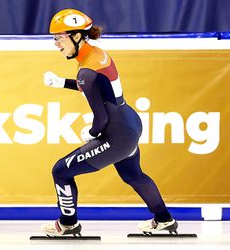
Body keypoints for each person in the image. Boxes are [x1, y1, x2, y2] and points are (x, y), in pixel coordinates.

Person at [41, 9, 178, 236]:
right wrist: (61, 83)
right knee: (133, 176)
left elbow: (101, 117)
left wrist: (93, 133)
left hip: (116, 132)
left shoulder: (86, 70)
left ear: (76, 36)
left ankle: (67, 224)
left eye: (59, 37)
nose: (55, 43)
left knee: (61, 171)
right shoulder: (95, 54)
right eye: (54, 38)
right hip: (129, 123)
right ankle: (164, 219)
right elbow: (95, 87)